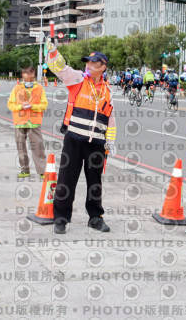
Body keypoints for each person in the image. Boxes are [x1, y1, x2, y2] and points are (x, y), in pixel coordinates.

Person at [46, 43, 116, 234]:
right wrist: (53, 52)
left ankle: (95, 218)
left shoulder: (107, 89)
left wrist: (110, 142)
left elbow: (110, 116)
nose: (89, 65)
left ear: (103, 67)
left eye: (94, 63)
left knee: (95, 183)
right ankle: (60, 219)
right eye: (88, 62)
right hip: (74, 140)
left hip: (97, 144)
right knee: (66, 179)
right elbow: (59, 68)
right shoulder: (77, 78)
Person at [7, 67, 48, 179]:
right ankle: (25, 170)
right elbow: (10, 105)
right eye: (26, 79)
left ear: (34, 77)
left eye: (31, 79)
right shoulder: (16, 88)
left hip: (34, 122)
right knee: (21, 146)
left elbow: (44, 104)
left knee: (38, 146)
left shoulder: (39, 88)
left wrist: (32, 107)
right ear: (22, 77)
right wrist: (21, 107)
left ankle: (42, 171)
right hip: (20, 121)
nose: (29, 81)